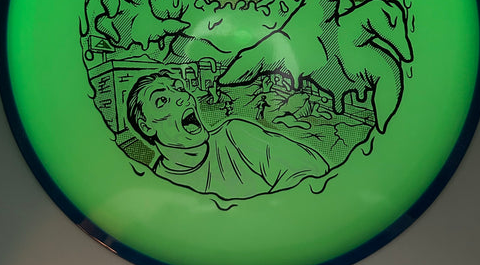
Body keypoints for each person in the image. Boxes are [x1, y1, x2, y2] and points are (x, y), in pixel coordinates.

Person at [127, 72, 329, 200]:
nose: (182, 97)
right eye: (162, 100)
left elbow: (311, 168)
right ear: (146, 126)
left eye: (179, 88)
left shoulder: (234, 135)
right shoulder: (157, 187)